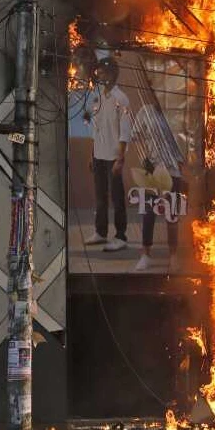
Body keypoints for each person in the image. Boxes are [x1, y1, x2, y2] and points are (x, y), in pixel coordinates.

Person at [127, 102, 185, 272]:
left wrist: (182, 166)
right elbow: (135, 136)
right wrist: (145, 157)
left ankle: (173, 255)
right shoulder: (145, 111)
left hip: (173, 171)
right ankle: (145, 255)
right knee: (148, 214)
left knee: (172, 216)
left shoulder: (176, 109)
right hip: (152, 171)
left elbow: (185, 141)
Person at [82, 57, 132, 252]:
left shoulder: (121, 99)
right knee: (100, 197)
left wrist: (121, 159)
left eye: (101, 72)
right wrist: (91, 154)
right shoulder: (99, 97)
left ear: (111, 74)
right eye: (98, 73)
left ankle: (121, 236)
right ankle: (100, 233)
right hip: (99, 155)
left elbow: (125, 131)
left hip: (113, 157)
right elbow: (97, 129)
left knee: (117, 198)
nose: (98, 75)